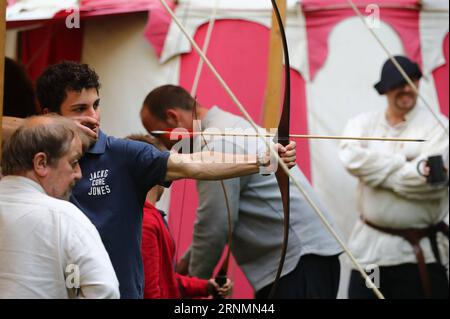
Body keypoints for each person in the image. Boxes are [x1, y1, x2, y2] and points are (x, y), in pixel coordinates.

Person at [1, 60, 296, 299]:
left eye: (96, 105)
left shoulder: (123, 154)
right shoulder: (32, 153)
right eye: (79, 109)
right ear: (49, 115)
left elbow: (194, 163)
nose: (93, 116)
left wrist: (264, 158)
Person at [140, 85, 343, 299]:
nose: (166, 148)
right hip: (305, 258)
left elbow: (214, 226)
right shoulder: (228, 127)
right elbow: (218, 222)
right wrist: (187, 263)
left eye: (159, 136)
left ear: (173, 118)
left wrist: (188, 288)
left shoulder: (214, 144)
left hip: (298, 263)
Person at [339, 56, 449, 299]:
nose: (406, 89)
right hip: (370, 253)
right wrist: (406, 163)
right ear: (385, 89)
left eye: (412, 81)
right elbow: (350, 158)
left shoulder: (439, 127)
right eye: (398, 83)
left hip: (419, 256)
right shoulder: (362, 123)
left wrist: (375, 173)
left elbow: (431, 182)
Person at [0, 115, 119, 299]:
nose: (79, 173)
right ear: (41, 163)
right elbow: (105, 291)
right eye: (73, 162)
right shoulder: (64, 217)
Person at [127, 134, 233, 299]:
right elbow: (150, 292)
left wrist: (206, 287)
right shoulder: (145, 222)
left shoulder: (145, 217)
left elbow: (165, 280)